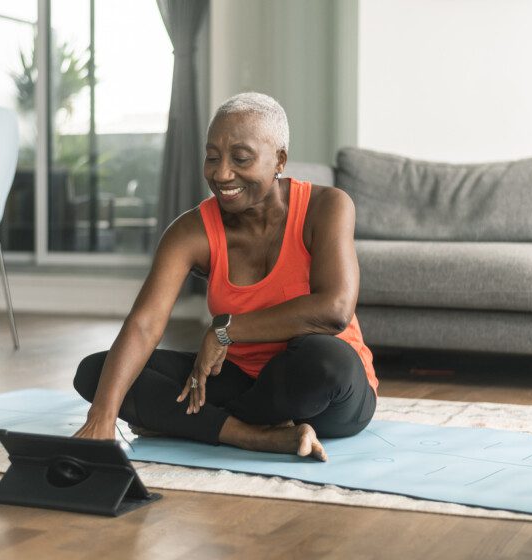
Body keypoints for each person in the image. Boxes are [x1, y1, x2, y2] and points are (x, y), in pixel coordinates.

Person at [73, 92, 378, 461]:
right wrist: (101, 418)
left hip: (323, 393)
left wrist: (226, 330)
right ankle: (253, 436)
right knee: (98, 374)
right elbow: (144, 324)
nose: (221, 174)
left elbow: (335, 309)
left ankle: (195, 423)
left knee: (325, 359)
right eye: (212, 157)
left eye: (241, 158)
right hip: (239, 379)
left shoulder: (326, 206)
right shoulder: (191, 231)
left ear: (279, 158)